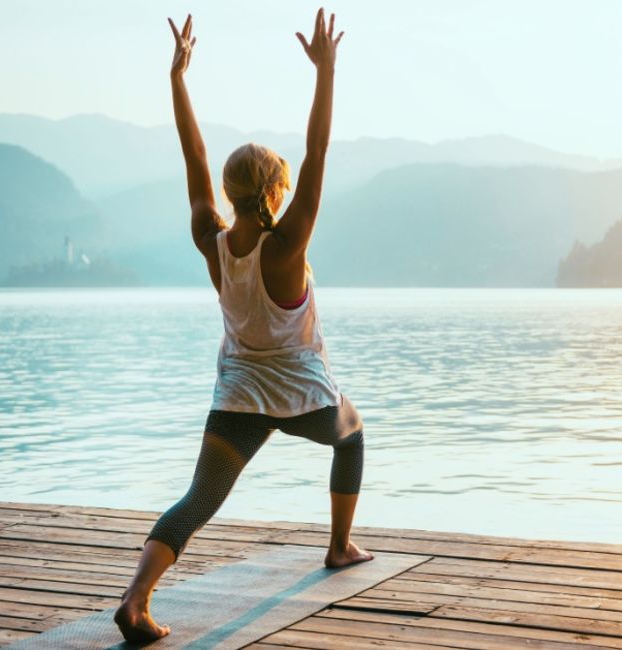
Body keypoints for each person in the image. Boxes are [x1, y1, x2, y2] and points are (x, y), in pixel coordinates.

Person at [114, 9, 371, 642]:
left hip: (238, 397)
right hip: (304, 396)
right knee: (351, 437)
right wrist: (326, 71)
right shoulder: (287, 246)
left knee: (198, 500)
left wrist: (177, 78)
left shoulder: (213, 241)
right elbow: (319, 150)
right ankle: (340, 546)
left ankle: (136, 599)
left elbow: (193, 153)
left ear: (230, 194)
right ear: (278, 192)